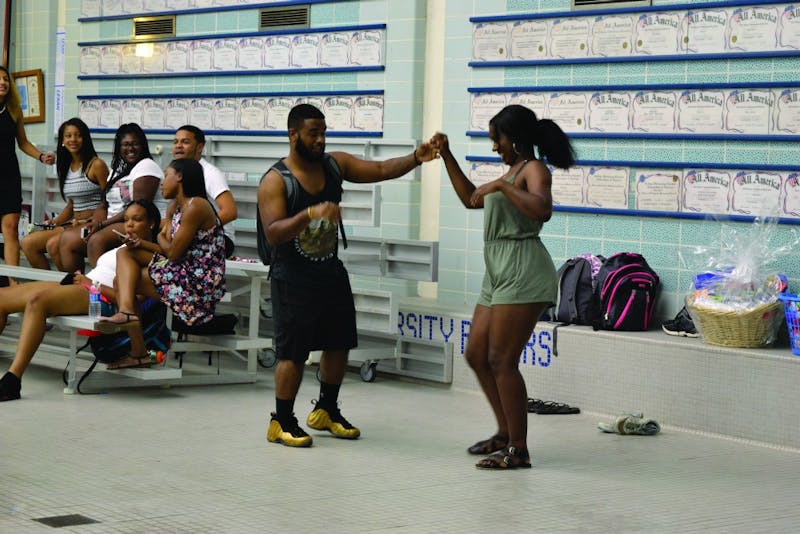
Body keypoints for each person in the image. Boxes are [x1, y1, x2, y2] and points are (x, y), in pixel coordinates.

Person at [258, 103, 437, 447]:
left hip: (329, 271)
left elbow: (382, 168)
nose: (321, 140)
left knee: (339, 343)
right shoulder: (275, 180)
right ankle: (281, 421)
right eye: (313, 134)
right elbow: (274, 233)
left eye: (324, 133)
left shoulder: (334, 165)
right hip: (291, 276)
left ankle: (326, 410)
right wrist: (309, 213)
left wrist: (417, 157)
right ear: (293, 134)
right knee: (292, 353)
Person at [430, 105, 576, 469]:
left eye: (498, 138)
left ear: (517, 138)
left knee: (501, 360)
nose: (495, 146)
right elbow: (470, 199)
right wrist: (446, 155)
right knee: (477, 354)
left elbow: (542, 209)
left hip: (524, 270)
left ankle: (519, 448)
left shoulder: (534, 169)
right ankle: (503, 432)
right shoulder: (511, 173)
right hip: (496, 272)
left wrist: (500, 186)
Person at [0, 199, 162, 401]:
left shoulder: (151, 258)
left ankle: (12, 380)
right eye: (127, 219)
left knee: (37, 301)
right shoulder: (125, 248)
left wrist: (93, 284)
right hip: (84, 285)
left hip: (99, 297)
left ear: (152, 224)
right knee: (2, 297)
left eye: (137, 220)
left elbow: (134, 302)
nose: (129, 224)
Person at [97, 158, 226, 369]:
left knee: (122, 282)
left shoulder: (197, 206)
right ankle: (130, 320)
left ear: (180, 177)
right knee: (126, 254)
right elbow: (169, 250)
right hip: (182, 268)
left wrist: (157, 236)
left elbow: (173, 252)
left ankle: (137, 347)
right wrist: (142, 242)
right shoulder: (176, 206)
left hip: (198, 283)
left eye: (167, 175)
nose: (163, 182)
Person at [21, 117, 108, 272]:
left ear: (85, 138)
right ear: (62, 140)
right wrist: (55, 221)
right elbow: (72, 204)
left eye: (78, 135)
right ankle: (51, 287)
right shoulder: (66, 166)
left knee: (53, 244)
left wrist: (93, 220)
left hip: (93, 225)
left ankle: (72, 287)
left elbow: (110, 200)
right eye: (68, 136)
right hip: (73, 224)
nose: (73, 139)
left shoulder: (96, 165)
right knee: (28, 243)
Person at [85, 123, 164, 267]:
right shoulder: (118, 171)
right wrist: (96, 221)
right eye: (125, 145)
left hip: (133, 223)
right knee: (64, 240)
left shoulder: (146, 166)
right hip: (112, 222)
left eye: (135, 144)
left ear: (143, 146)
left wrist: (103, 224)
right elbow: (103, 204)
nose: (131, 149)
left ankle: (100, 283)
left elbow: (138, 208)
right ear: (119, 148)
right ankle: (77, 283)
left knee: (96, 241)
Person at [0, 66, 56, 268]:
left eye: (6, 79)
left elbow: (23, 143)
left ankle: (13, 281)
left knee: (11, 227)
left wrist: (41, 157)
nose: (3, 82)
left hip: (8, 175)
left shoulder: (14, 111)